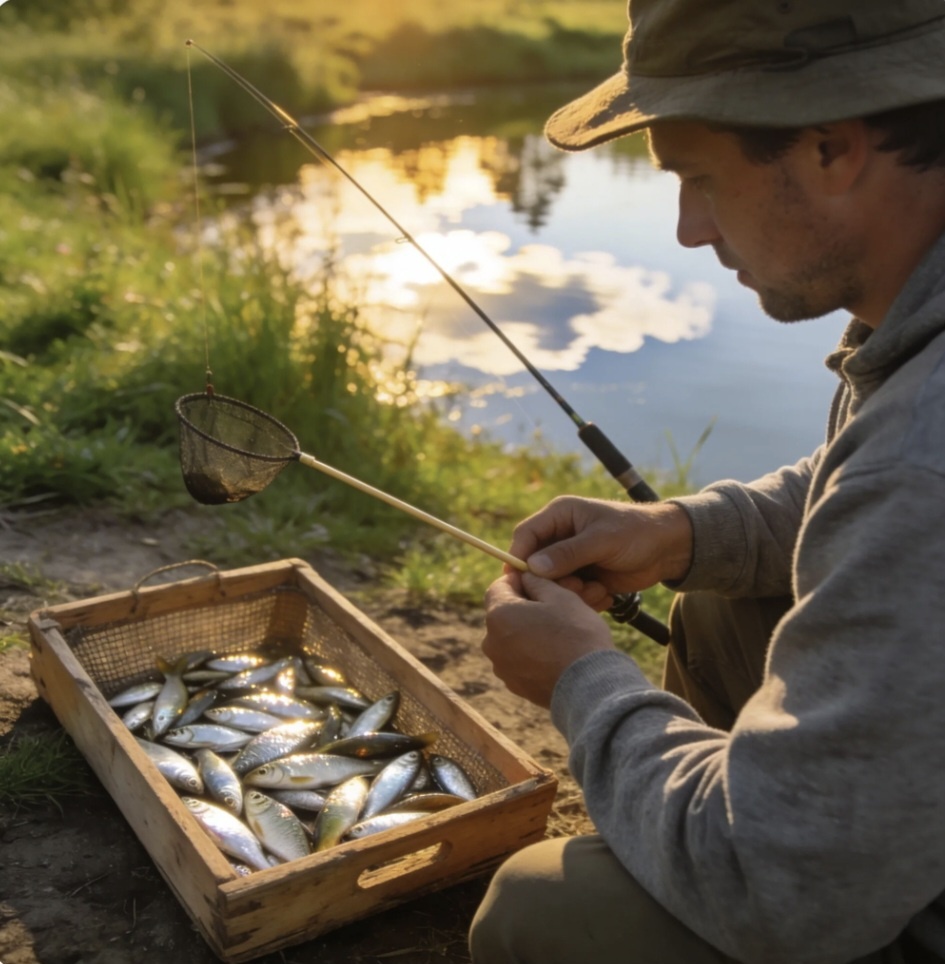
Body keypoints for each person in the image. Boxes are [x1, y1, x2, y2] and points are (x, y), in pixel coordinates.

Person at [468, 2, 945, 963]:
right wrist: (684, 531)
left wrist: (579, 681)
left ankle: (683, 858)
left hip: (814, 890)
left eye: (698, 179)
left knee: (539, 911)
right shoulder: (914, 337)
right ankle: (679, 842)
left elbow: (782, 893)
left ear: (829, 147)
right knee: (721, 609)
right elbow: (865, 491)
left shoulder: (925, 458)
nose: (687, 230)